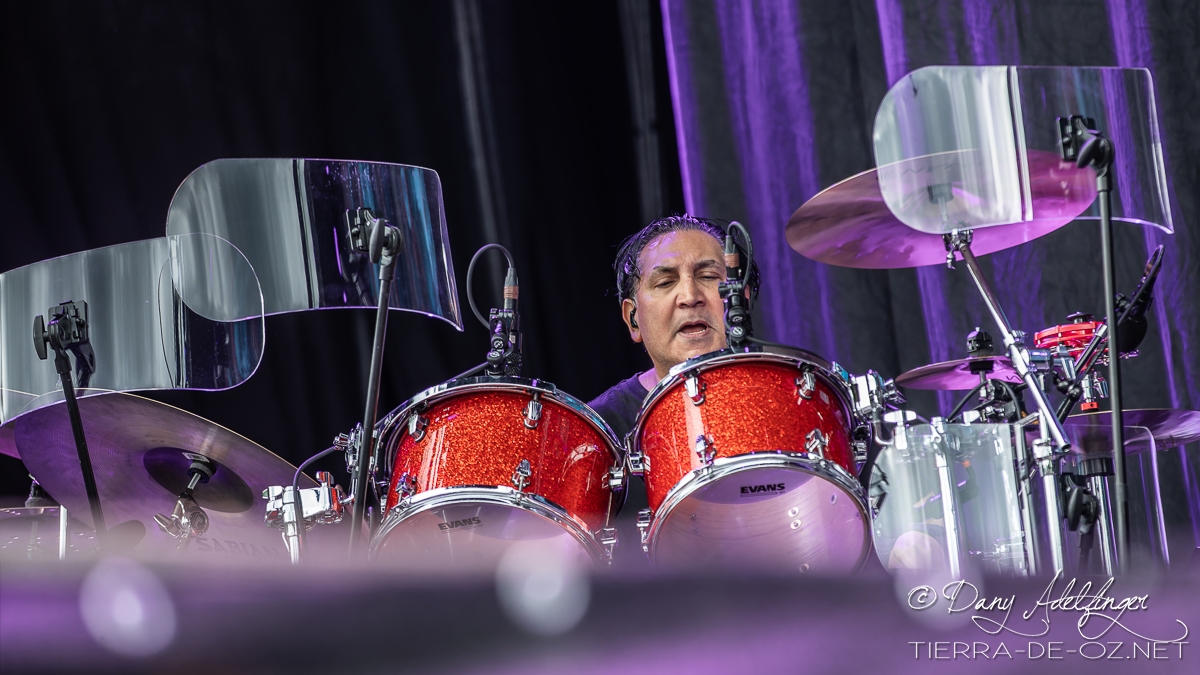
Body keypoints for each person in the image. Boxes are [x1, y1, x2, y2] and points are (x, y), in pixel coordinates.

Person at [587, 214, 758, 568]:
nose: (690, 297)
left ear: (741, 299)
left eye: (708, 277)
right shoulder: (595, 433)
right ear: (633, 319)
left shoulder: (794, 397)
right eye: (665, 282)